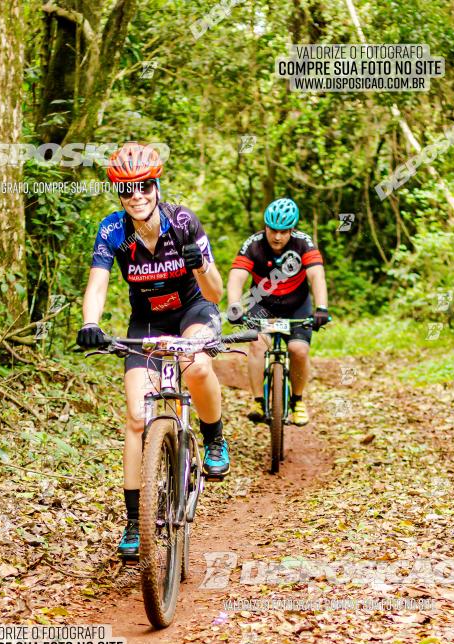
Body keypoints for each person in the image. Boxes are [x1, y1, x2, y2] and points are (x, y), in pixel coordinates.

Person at [76, 142, 228, 561]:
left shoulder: (183, 223)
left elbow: (215, 293)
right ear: (119, 195)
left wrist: (200, 264)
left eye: (144, 186)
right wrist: (90, 323)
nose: (137, 196)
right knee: (136, 416)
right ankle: (134, 521)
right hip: (146, 321)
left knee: (194, 367)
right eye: (127, 190)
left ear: (156, 185)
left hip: (193, 310)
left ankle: (215, 439)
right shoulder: (112, 231)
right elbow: (99, 283)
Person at [226, 198, 329, 426]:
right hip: (264, 306)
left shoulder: (303, 244)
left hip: (296, 305)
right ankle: (258, 402)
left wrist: (322, 308)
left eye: (284, 231)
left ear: (292, 229)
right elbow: (237, 277)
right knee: (257, 344)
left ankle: (298, 400)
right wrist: (234, 306)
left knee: (298, 350)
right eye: (273, 230)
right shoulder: (253, 244)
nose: (278, 236)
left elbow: (317, 276)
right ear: (265, 226)